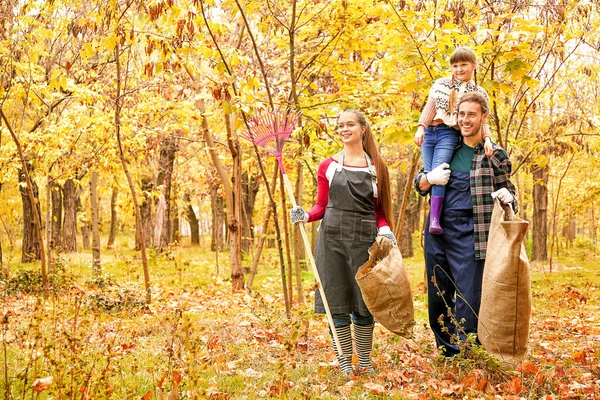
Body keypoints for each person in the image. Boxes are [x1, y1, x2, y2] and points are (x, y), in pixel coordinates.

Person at [290, 109, 395, 375]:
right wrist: (305, 215)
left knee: (363, 303)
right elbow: (321, 206)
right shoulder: (328, 165)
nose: (344, 129)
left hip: (365, 241)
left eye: (350, 125)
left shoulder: (377, 167)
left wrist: (386, 231)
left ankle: (365, 361)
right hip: (332, 240)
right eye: (340, 126)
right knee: (335, 301)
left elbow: (380, 211)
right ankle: (345, 361)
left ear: (363, 129)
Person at [413, 92, 517, 356]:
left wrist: (509, 197)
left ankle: (469, 353)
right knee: (438, 296)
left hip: (474, 234)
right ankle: (449, 354)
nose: (465, 120)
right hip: (438, 230)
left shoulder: (495, 155)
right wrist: (430, 178)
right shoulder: (448, 145)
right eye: (461, 114)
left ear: (484, 117)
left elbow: (510, 194)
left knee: (470, 299)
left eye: (472, 114)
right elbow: (420, 185)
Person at [414, 46, 493, 235]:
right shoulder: (441, 85)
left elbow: (482, 118)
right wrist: (421, 127)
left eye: (464, 64)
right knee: (428, 174)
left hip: (448, 133)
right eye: (455, 65)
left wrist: (488, 138)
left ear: (473, 65)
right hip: (430, 133)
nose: (459, 69)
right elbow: (429, 108)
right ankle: (432, 218)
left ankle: (435, 220)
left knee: (439, 171)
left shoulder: (478, 92)